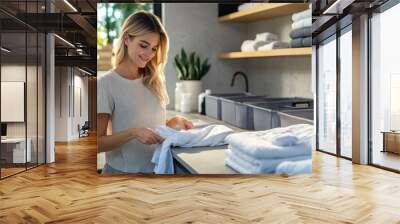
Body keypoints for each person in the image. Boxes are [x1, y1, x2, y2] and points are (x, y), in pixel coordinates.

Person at [97, 11, 193, 174]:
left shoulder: (154, 80)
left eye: (154, 49)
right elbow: (97, 144)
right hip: (122, 177)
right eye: (143, 45)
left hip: (157, 170)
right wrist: (133, 133)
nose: (149, 54)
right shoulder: (106, 83)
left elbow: (152, 128)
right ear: (127, 38)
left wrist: (173, 122)